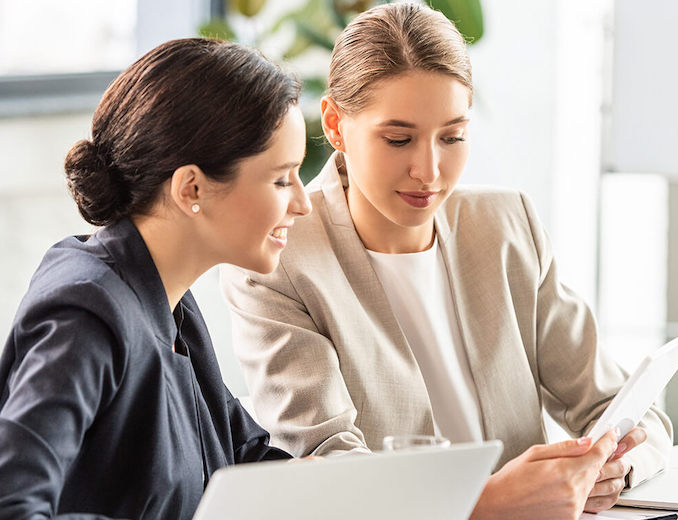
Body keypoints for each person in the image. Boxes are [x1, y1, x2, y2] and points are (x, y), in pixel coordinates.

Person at [220, 3, 673, 518]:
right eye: (398, 139)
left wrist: (610, 467)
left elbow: (629, 413)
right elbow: (330, 470)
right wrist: (488, 504)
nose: (429, 171)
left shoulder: (506, 225)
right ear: (335, 125)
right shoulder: (278, 256)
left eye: (453, 136)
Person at [0, 38, 311, 519]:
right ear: (192, 188)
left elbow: (245, 462)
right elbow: (0, 510)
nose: (302, 202)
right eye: (281, 178)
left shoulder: (171, 300)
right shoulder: (84, 316)